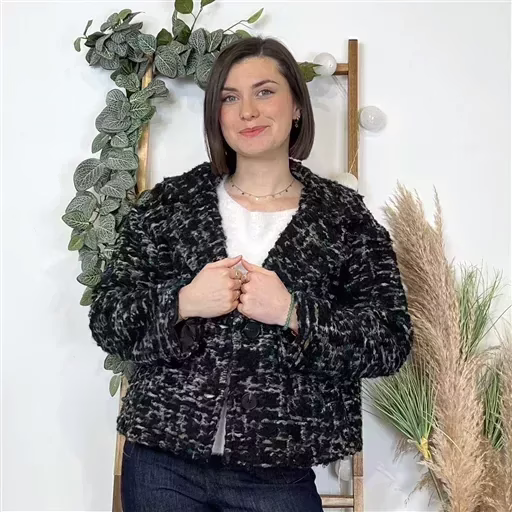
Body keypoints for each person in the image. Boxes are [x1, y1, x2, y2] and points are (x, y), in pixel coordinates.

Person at [89, 36, 413, 512]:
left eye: (264, 92)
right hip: (162, 464)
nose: (247, 112)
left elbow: (390, 340)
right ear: (216, 116)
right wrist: (184, 302)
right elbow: (107, 318)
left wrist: (294, 312)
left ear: (296, 106)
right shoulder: (169, 205)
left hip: (278, 471)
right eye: (229, 98)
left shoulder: (344, 219)